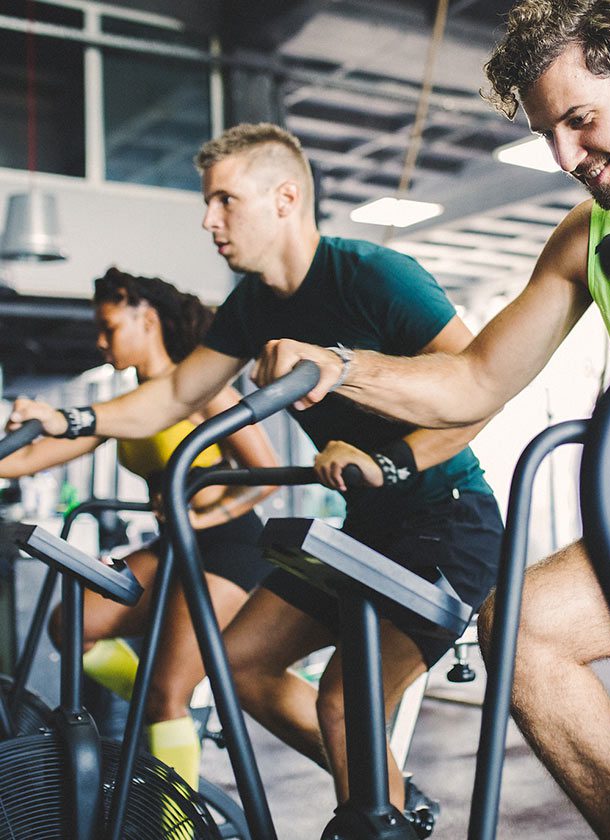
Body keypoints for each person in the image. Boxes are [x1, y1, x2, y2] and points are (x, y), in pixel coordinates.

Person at [239, 1, 610, 837]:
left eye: (580, 121)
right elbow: (476, 381)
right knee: (519, 628)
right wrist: (342, 366)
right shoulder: (589, 239)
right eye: (546, 132)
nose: (565, 156)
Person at [8, 123, 503, 831]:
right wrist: (74, 422)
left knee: (344, 701)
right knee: (240, 668)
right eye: (208, 204)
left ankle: (377, 811)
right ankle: (386, 800)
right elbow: (175, 396)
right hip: (366, 527)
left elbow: (480, 385)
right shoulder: (254, 306)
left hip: (449, 522)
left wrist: (391, 460)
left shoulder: (371, 275)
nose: (210, 221)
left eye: (224, 201)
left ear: (285, 198)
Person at [0, 267, 280, 791]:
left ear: (146, 318)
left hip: (229, 546)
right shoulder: (132, 402)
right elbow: (42, 452)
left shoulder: (199, 388)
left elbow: (265, 474)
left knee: (168, 692)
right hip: (176, 544)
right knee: (72, 625)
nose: (102, 342)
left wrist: (202, 516)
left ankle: (176, 821)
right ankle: (160, 706)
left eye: (110, 328)